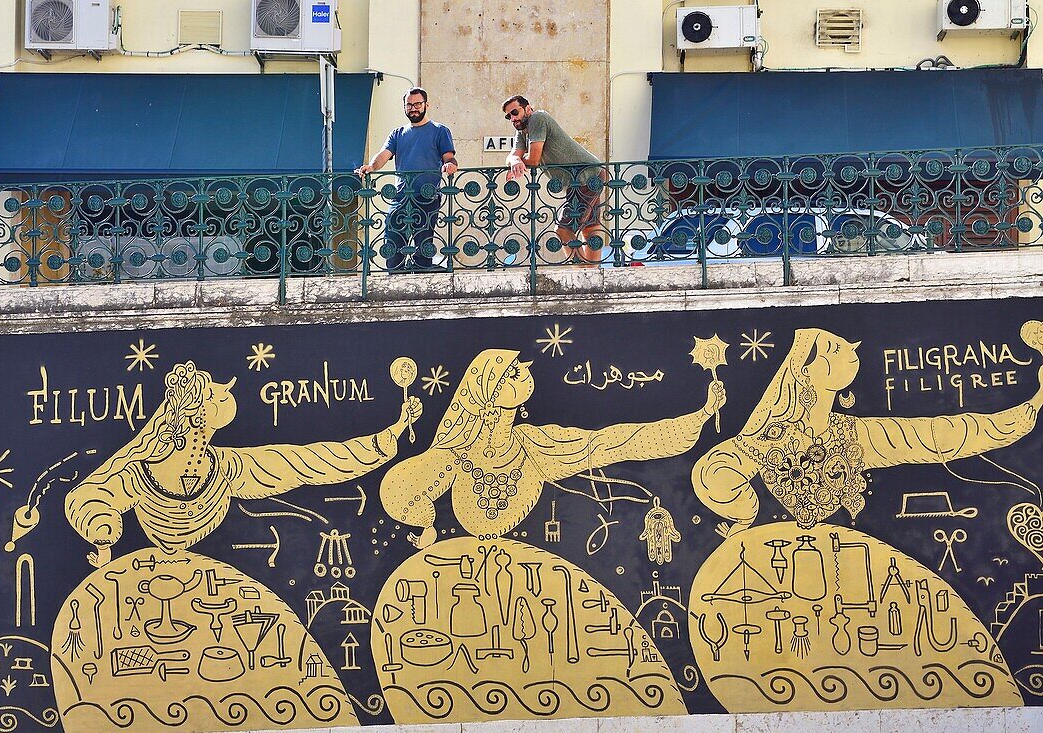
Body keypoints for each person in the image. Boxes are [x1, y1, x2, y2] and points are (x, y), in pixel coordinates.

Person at [36, 360, 422, 732]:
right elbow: (92, 497)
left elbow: (306, 462)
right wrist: (104, 535)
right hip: (140, 588)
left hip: (207, 590)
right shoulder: (140, 470)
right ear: (195, 413)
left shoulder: (225, 467)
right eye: (216, 398)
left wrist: (386, 437)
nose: (226, 401)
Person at [688, 323, 1043, 712]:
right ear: (806, 371)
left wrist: (1030, 408)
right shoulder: (769, 438)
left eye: (847, 347)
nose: (849, 351)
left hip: (852, 581)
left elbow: (936, 435)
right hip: (775, 583)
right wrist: (744, 514)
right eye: (834, 349)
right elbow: (713, 473)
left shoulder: (853, 434)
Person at [372, 348, 725, 722]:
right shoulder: (456, 454)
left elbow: (613, 441)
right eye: (512, 373)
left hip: (536, 592)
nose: (525, 371)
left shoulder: (534, 446)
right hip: (459, 602)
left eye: (522, 368)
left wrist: (698, 417)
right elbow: (400, 491)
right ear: (487, 393)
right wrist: (425, 525)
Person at [357, 87, 457, 272]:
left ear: (426, 105)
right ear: (404, 107)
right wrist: (371, 167)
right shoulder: (397, 133)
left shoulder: (439, 131)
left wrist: (450, 165)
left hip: (427, 195)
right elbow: (383, 155)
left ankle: (422, 278)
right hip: (401, 196)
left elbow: (449, 157)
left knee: (424, 242)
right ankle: (394, 276)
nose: (413, 108)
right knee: (392, 238)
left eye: (418, 104)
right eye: (409, 105)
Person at [503, 95, 607, 266]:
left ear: (528, 109)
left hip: (586, 176)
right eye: (509, 116)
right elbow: (514, 155)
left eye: (515, 112)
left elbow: (534, 159)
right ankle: (593, 273)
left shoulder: (538, 118)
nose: (513, 118)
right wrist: (514, 161)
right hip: (582, 178)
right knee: (590, 229)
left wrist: (519, 162)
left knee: (563, 229)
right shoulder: (522, 130)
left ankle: (585, 275)